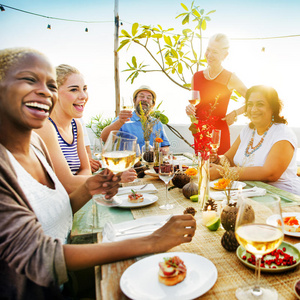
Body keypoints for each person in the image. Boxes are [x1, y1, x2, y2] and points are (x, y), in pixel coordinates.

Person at [0, 47, 196, 299]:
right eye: (29, 79)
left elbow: (58, 211)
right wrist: (153, 240)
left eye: (50, 84)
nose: (45, 91)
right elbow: (42, 256)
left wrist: (90, 187)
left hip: (64, 277)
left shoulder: (35, 145)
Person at [35, 64, 136, 193]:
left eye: (84, 89)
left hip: (73, 198)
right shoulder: (44, 127)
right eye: (74, 90)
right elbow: (66, 183)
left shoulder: (76, 125)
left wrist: (84, 183)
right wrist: (113, 178)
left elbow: (85, 169)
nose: (83, 96)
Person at [210, 85, 300, 195]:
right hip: (249, 192)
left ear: (273, 108)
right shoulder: (247, 130)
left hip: (283, 196)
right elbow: (228, 158)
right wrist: (217, 160)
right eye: (250, 104)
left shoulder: (282, 133)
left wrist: (222, 172)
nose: (253, 109)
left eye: (260, 104)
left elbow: (270, 173)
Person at [186, 33, 248, 154]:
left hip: (219, 135)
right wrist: (189, 110)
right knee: (202, 169)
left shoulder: (230, 78)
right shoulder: (196, 77)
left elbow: (253, 100)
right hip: (200, 134)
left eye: (215, 52)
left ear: (225, 55)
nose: (209, 55)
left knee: (219, 171)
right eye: (208, 50)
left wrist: (235, 113)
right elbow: (195, 106)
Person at [101, 85, 170, 152]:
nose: (145, 99)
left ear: (153, 104)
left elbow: (165, 146)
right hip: (129, 162)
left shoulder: (157, 123)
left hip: (152, 163)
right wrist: (120, 122)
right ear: (134, 100)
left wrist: (164, 150)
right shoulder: (123, 119)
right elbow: (104, 138)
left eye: (149, 98)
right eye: (141, 96)